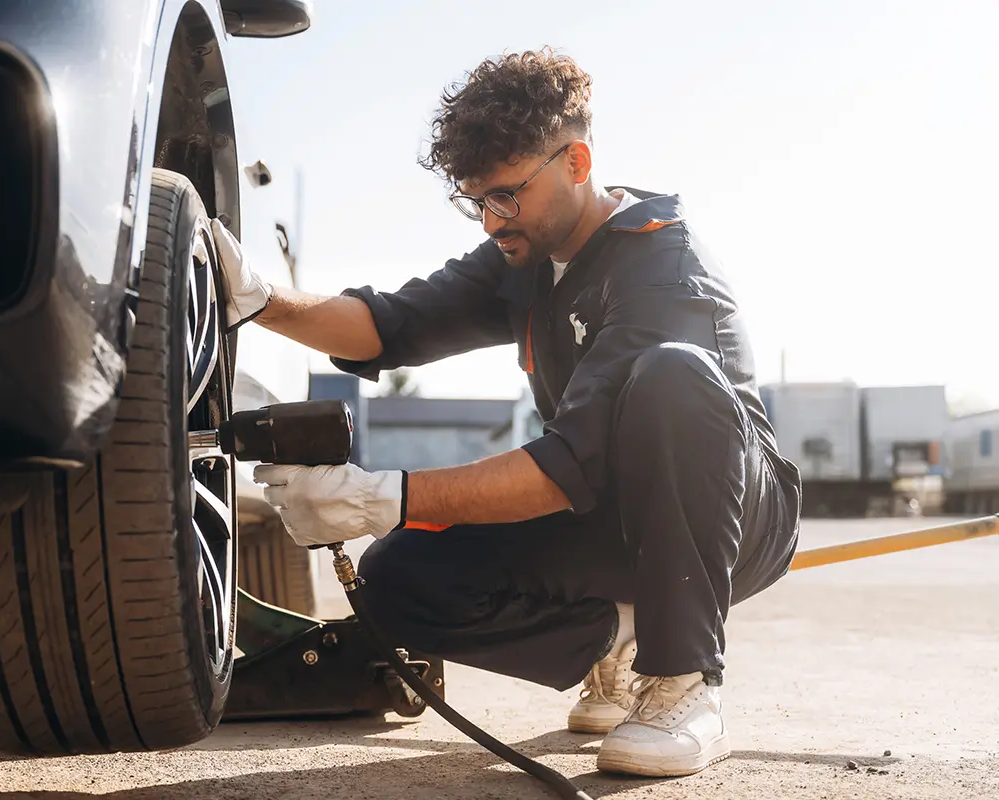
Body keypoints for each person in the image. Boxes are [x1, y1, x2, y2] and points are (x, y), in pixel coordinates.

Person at [209, 47, 802, 778]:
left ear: (576, 163)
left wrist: (377, 495)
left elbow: (565, 467)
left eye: (506, 196)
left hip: (730, 515)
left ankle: (686, 682)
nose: (491, 221)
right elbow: (386, 326)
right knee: (399, 577)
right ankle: (615, 635)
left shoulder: (663, 269)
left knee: (672, 375)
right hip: (604, 510)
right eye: (476, 200)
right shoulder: (524, 254)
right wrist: (261, 299)